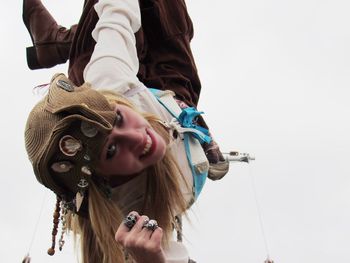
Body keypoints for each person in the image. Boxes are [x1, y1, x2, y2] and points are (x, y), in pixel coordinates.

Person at [24, 0, 229, 262]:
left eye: (119, 120)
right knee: (170, 15)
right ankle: (57, 42)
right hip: (172, 102)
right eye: (111, 150)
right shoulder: (127, 207)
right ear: (106, 181)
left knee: (112, 21)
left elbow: (117, 16)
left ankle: (59, 42)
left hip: (127, 95)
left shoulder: (107, 82)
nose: (135, 137)